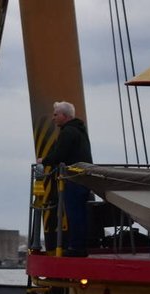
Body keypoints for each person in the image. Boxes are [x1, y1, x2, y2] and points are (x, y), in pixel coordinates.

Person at [42, 100, 93, 257]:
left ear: (64, 116)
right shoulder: (79, 130)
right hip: (83, 178)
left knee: (74, 213)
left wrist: (43, 161)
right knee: (80, 213)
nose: (53, 118)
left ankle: (76, 248)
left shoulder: (68, 132)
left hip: (74, 179)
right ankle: (79, 245)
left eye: (56, 114)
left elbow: (59, 154)